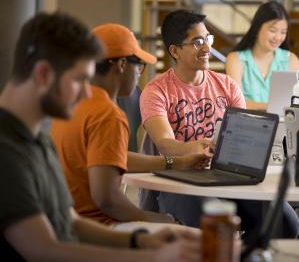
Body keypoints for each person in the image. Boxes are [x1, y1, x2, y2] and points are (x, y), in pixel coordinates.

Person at [0, 12, 200, 261]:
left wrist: (141, 240)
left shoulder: (37, 140)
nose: (86, 93)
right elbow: (43, 250)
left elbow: (71, 221)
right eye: (80, 80)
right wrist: (154, 256)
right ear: (43, 74)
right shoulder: (7, 149)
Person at [139, 9, 299, 238]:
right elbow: (165, 143)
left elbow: (246, 135)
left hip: (228, 177)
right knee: (217, 228)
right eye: (197, 42)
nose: (207, 48)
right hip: (180, 180)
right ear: (175, 51)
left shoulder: (227, 85)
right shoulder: (156, 90)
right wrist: (198, 148)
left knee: (285, 222)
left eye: (207, 39)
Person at [50, 24, 211, 230]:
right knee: (192, 234)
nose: (139, 75)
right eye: (139, 66)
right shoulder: (108, 115)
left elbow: (112, 158)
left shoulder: (73, 103)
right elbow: (107, 200)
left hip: (65, 221)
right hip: (98, 226)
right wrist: (160, 220)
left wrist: (178, 162)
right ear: (122, 65)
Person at [226, 1, 299, 111]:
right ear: (257, 28)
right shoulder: (236, 60)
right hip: (246, 125)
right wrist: (274, 108)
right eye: (273, 30)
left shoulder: (291, 59)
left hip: (282, 126)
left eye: (283, 32)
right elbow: (236, 103)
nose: (278, 37)